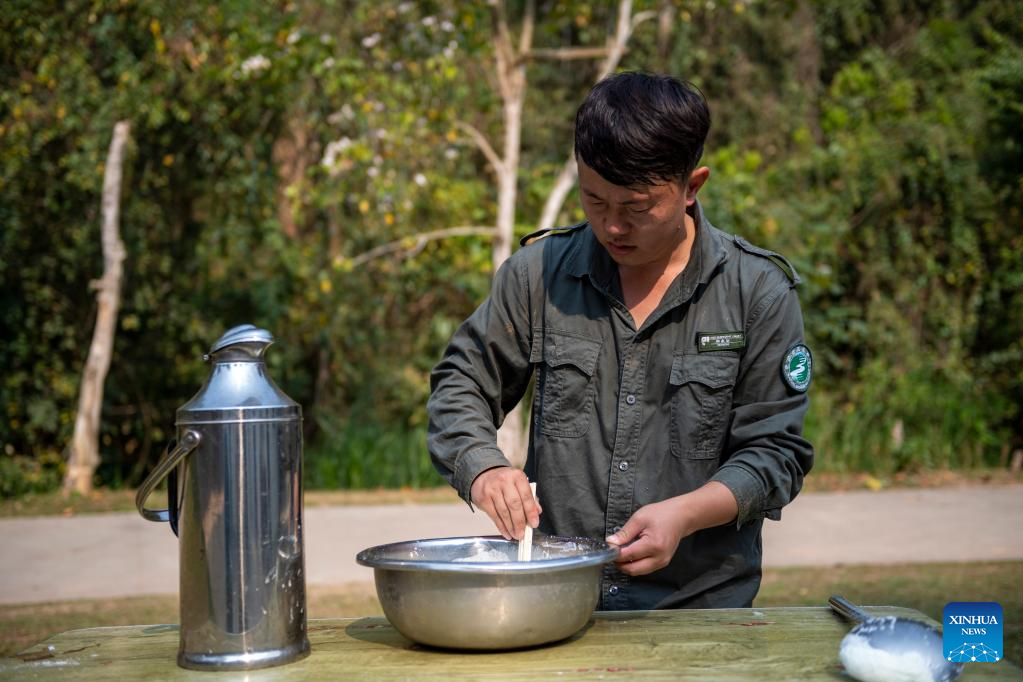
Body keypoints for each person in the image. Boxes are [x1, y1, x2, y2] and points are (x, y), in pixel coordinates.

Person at [427, 72, 813, 610]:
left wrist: (686, 514)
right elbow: (461, 383)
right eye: (594, 200)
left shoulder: (757, 293)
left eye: (636, 208)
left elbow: (775, 453)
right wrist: (483, 466)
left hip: (700, 613)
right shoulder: (538, 275)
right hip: (559, 602)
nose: (612, 227)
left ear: (692, 187)